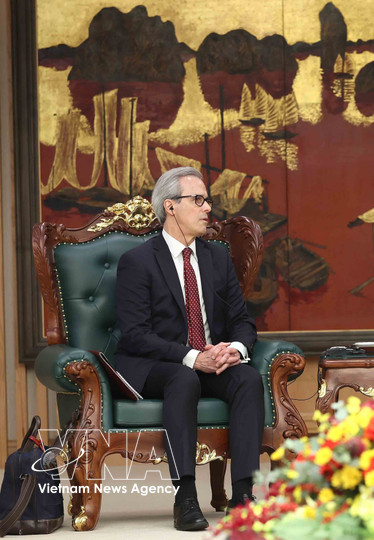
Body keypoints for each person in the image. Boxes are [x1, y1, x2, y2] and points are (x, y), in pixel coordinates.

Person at [115, 167, 263, 531]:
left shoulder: (216, 258)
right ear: (170, 206)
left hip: (210, 361)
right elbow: (134, 334)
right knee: (183, 379)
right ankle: (185, 498)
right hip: (158, 365)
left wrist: (237, 349)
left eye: (207, 200)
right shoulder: (138, 262)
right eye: (197, 200)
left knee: (247, 379)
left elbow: (243, 320)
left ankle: (244, 494)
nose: (207, 208)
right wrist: (193, 356)